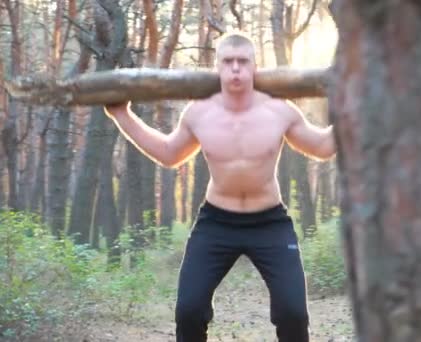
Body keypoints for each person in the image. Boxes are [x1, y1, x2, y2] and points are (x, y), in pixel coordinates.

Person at [104, 31, 336, 342]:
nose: (236, 69)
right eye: (228, 62)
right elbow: (170, 154)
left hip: (270, 223)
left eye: (243, 62)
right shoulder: (201, 112)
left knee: (293, 313)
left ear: (255, 67)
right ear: (218, 68)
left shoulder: (279, 110)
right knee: (188, 311)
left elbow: (322, 147)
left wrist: (357, 110)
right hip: (216, 222)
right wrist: (123, 115)